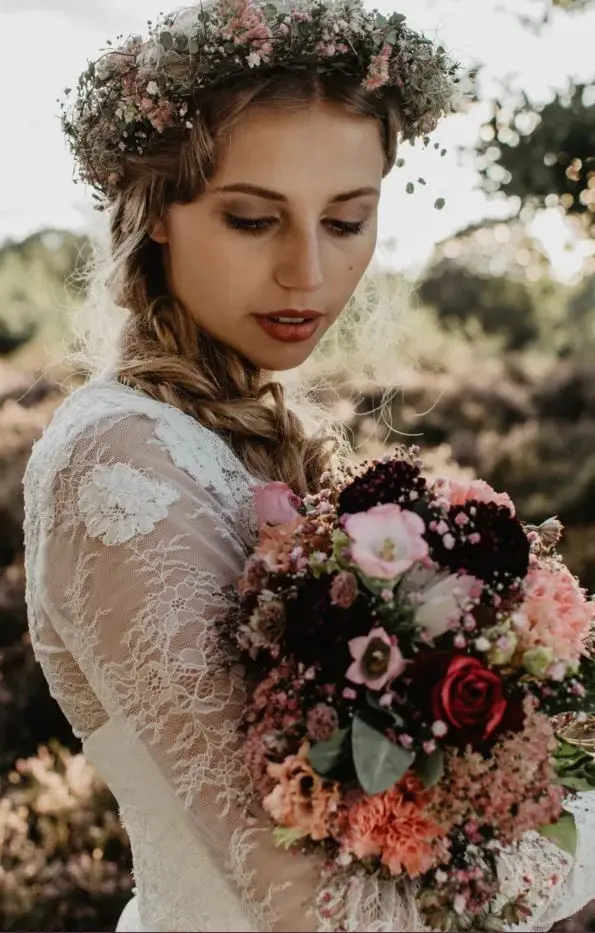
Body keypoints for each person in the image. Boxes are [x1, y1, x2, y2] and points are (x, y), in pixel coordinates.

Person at [23, 1, 595, 930]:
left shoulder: (236, 438)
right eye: (253, 219)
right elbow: (317, 903)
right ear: (155, 211)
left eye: (346, 219)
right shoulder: (117, 459)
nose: (309, 272)